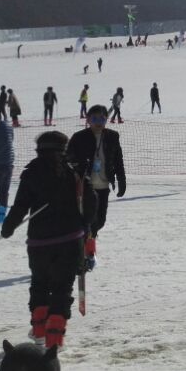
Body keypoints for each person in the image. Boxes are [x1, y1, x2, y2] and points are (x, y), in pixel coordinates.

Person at [1, 130, 97, 348]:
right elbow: (90, 207)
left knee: (40, 285)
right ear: (64, 149)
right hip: (70, 241)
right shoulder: (75, 172)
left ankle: (39, 330)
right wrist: (86, 225)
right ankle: (55, 338)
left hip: (39, 243)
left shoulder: (31, 172)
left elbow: (19, 207)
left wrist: (8, 228)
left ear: (39, 149)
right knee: (62, 288)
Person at [65, 107, 125, 272]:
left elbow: (118, 159)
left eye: (102, 119)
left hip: (103, 184)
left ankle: (88, 247)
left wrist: (121, 179)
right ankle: (88, 254)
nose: (98, 123)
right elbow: (68, 157)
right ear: (88, 120)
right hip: (85, 186)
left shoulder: (112, 136)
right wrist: (77, 166)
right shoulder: (79, 137)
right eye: (94, 119)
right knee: (87, 222)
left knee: (100, 221)